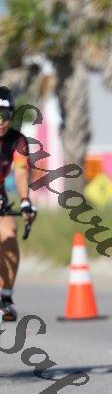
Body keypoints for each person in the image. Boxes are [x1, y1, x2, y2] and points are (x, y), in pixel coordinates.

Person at [0, 87, 36, 321]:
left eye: (5, 116)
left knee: (9, 236)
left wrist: (25, 201)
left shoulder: (17, 140)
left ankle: (5, 297)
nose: (1, 122)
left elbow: (21, 171)